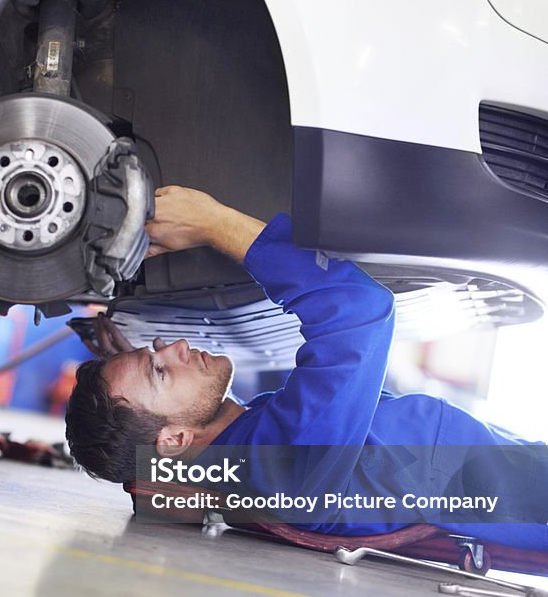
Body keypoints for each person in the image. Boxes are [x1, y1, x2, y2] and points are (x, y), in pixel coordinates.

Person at [65, 186, 548, 551]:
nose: (178, 345)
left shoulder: (228, 463)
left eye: (158, 351)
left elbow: (148, 486)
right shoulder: (277, 465)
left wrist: (139, 373)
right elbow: (359, 309)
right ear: (173, 442)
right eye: (161, 371)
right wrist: (214, 223)